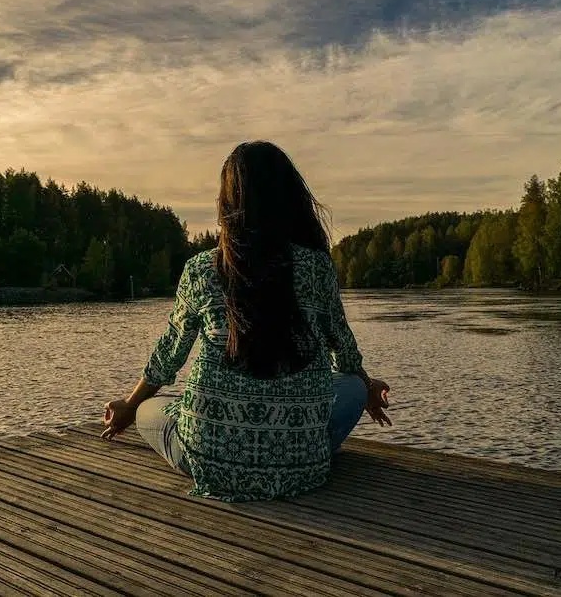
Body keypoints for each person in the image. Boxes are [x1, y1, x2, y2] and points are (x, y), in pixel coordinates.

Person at [102, 141, 391, 502]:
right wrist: (365, 385)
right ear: (290, 198)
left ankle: (198, 431)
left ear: (228, 202)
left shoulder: (201, 269)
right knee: (349, 386)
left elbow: (168, 357)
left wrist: (129, 407)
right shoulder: (317, 267)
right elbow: (344, 350)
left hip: (211, 462)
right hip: (302, 467)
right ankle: (296, 445)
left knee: (149, 408)